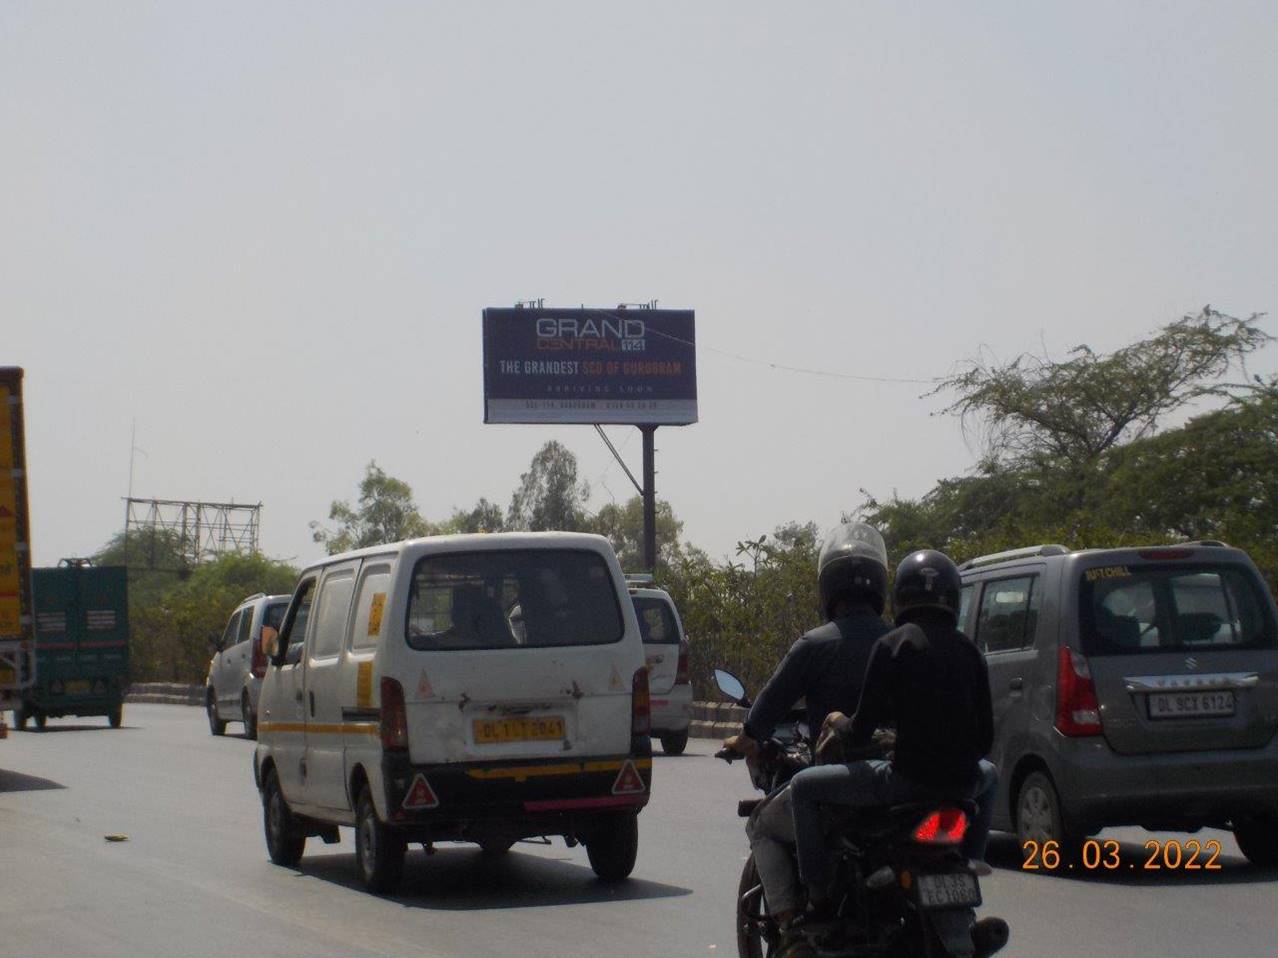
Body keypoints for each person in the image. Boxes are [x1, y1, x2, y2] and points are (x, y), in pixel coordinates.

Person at [789, 549, 999, 915]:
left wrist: (840, 721)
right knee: (992, 774)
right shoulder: (970, 651)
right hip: (964, 784)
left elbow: (860, 730)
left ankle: (817, 895)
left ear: (899, 596)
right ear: (953, 596)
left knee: (803, 787)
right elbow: (985, 739)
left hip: (904, 782)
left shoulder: (891, 645)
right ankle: (972, 858)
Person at [721, 522, 891, 957]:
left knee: (760, 823)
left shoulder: (814, 645)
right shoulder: (901, 642)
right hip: (901, 782)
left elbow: (765, 710)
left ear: (828, 587)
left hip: (841, 784)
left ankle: (793, 926)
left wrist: (740, 741)